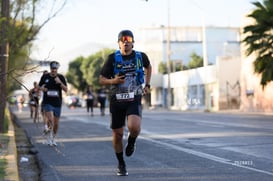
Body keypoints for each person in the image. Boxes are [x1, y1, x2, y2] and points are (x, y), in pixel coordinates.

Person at [99, 30, 152, 176]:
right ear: (119, 43)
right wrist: (113, 81)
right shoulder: (112, 59)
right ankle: (121, 163)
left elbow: (149, 67)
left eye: (129, 39)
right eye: (123, 39)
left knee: (134, 126)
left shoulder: (141, 57)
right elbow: (102, 80)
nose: (126, 41)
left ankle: (132, 141)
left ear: (133, 42)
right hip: (116, 100)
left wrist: (147, 85)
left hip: (134, 97)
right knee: (117, 134)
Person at [38, 61, 67, 146]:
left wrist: (60, 83)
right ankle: (49, 137)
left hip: (57, 102)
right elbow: (40, 86)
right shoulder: (45, 76)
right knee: (51, 119)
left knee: (56, 124)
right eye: (52, 68)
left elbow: (66, 89)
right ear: (50, 68)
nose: (53, 70)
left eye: (55, 68)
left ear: (57, 68)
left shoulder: (61, 77)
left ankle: (53, 138)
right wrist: (42, 88)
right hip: (48, 102)